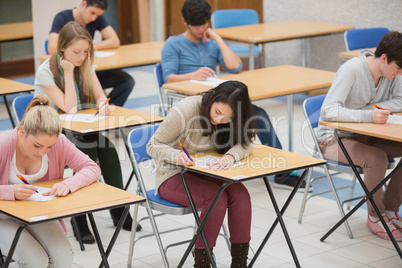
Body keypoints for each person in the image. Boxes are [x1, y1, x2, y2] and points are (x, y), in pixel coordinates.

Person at [161, 0, 310, 193]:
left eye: (204, 24)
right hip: (191, 102)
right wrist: (191, 75)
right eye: (196, 26)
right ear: (185, 22)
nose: (200, 29)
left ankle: (281, 174)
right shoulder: (173, 44)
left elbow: (235, 66)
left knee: (258, 114)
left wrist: (217, 38)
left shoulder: (211, 43)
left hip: (215, 98)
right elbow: (168, 79)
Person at [34, 21, 140, 246]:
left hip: (81, 126)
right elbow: (69, 108)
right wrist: (70, 72)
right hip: (52, 131)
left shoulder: (86, 63)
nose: (82, 57)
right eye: (76, 52)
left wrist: (103, 104)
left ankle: (119, 210)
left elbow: (101, 95)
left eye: (85, 51)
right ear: (62, 48)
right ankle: (79, 218)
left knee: (109, 149)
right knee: (86, 152)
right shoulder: (45, 71)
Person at [147, 80, 256, 267]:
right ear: (212, 97)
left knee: (240, 194)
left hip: (206, 170)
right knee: (216, 198)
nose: (219, 121)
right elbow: (152, 145)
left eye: (226, 119)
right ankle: (202, 262)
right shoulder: (185, 111)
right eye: (218, 113)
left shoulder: (232, 115)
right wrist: (176, 155)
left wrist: (231, 156)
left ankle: (239, 263)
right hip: (174, 174)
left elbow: (247, 143)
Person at [317, 31, 402, 241]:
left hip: (366, 136)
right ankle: (375, 215)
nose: (400, 73)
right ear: (384, 58)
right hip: (333, 140)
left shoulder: (391, 74)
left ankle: (390, 210)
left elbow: (401, 100)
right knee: (377, 159)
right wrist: (368, 115)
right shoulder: (352, 70)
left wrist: (376, 109)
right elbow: (329, 111)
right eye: (398, 68)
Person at [0, 95, 101, 267]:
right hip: (2, 217)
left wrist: (68, 184)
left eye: (49, 147)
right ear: (22, 131)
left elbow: (92, 168)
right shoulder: (4, 143)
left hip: (34, 212)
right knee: (35, 261)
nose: (42, 152)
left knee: (64, 257)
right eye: (37, 146)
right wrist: (10, 191)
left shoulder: (59, 142)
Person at [48, 0, 134, 107]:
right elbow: (51, 47)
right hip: (69, 70)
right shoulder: (62, 18)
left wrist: (90, 48)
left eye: (97, 15)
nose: (94, 18)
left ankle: (106, 109)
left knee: (127, 81)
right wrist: (73, 52)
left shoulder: (97, 17)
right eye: (92, 13)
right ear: (84, 4)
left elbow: (115, 40)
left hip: (86, 67)